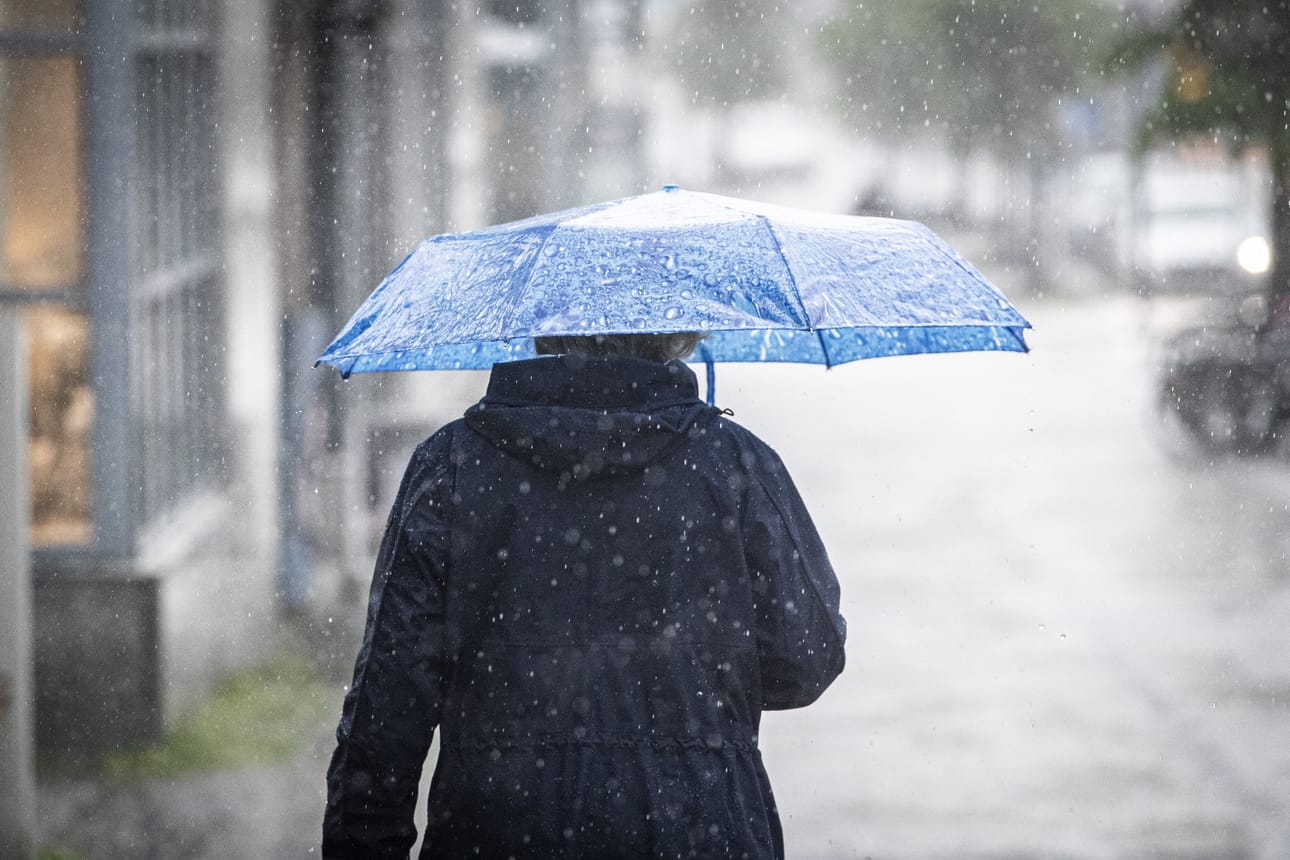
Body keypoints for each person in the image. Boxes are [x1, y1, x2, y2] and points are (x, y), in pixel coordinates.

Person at [323, 332, 846, 859]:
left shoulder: (452, 466)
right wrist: (697, 681)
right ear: (679, 331)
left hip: (498, 830)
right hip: (699, 826)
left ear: (541, 325)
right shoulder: (737, 466)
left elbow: (386, 709)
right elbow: (806, 662)